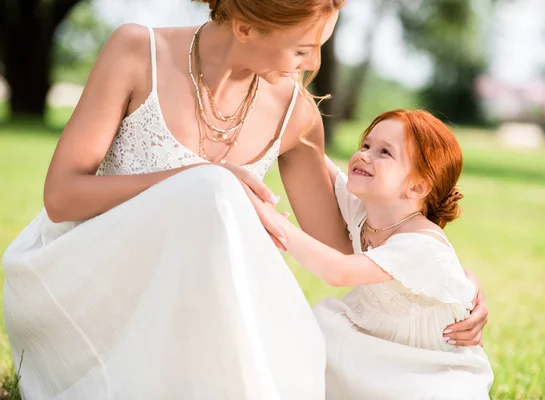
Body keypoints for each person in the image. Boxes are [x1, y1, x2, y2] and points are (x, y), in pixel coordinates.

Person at [1, 1, 488, 398]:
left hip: (179, 317)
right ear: (246, 28)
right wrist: (200, 176)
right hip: (78, 281)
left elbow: (348, 249)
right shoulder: (136, 50)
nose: (313, 65)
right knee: (212, 188)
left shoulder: (294, 112)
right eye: (303, 49)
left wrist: (445, 282)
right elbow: (62, 197)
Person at [262, 110, 494, 399]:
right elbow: (308, 149)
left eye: (385, 152)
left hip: (429, 369)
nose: (364, 156)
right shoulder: (366, 210)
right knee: (318, 338)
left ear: (417, 186)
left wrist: (267, 215)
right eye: (366, 145)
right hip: (376, 350)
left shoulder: (421, 244)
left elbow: (339, 272)